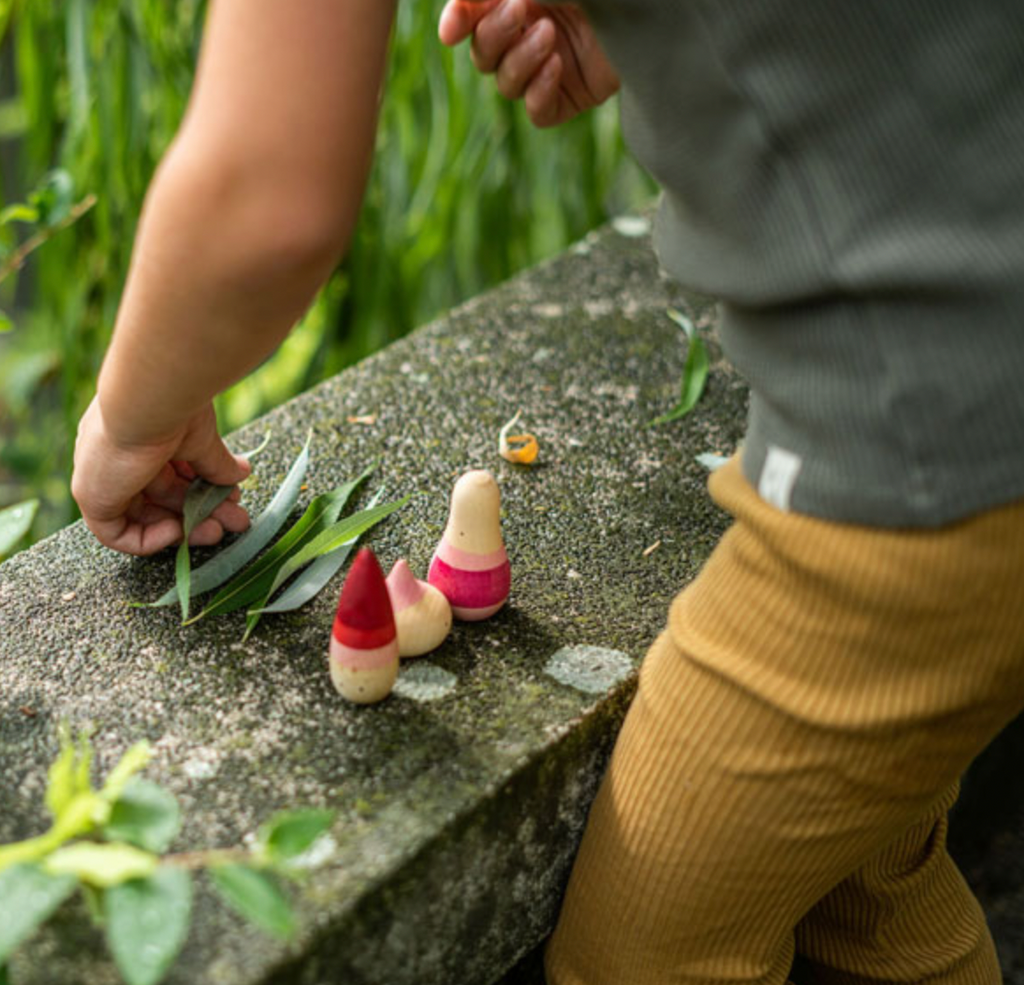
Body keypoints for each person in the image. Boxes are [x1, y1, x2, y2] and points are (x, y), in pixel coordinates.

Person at [73, 1, 1024, 983]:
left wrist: (132, 415)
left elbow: (266, 195)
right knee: (864, 880)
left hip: (928, 460)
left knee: (644, 953)